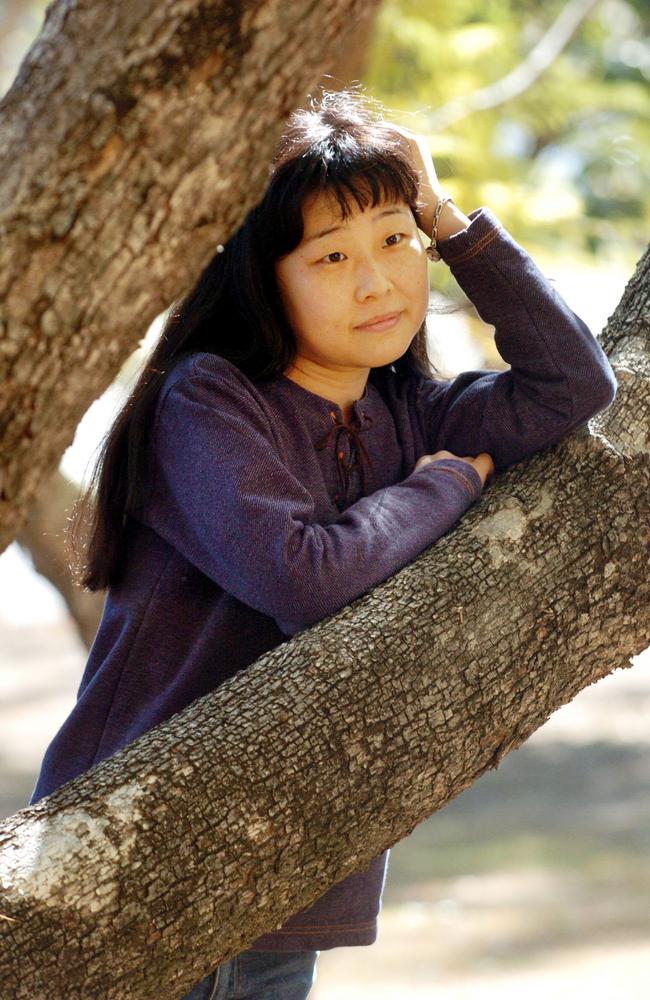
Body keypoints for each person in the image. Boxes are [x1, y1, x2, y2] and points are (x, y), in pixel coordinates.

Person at [28, 86, 617, 999]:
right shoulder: (210, 402)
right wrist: (445, 485)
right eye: (331, 255)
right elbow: (303, 575)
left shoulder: (413, 410)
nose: (378, 281)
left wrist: (451, 217)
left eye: (396, 239)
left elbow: (576, 382)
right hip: (130, 867)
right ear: (263, 278)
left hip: (287, 886)